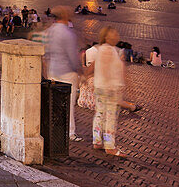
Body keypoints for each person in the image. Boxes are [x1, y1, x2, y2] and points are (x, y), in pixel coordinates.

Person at [85, 26, 126, 157]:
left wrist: (86, 76)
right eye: (114, 33)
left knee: (99, 114)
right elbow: (110, 70)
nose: (116, 36)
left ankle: (97, 140)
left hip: (100, 87)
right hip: (110, 89)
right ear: (107, 37)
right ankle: (109, 146)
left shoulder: (101, 49)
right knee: (110, 117)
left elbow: (93, 66)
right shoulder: (111, 50)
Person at [45, 9, 84, 141]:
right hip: (67, 72)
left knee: (54, 103)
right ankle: (70, 132)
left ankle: (54, 129)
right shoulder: (68, 33)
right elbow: (72, 55)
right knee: (69, 103)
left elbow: (46, 51)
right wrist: (80, 71)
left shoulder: (50, 30)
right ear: (66, 16)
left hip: (53, 70)